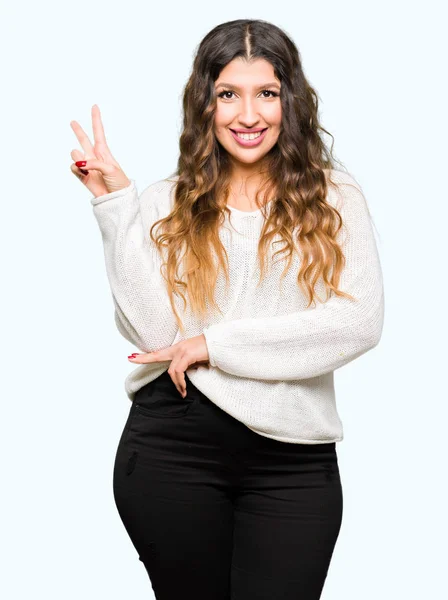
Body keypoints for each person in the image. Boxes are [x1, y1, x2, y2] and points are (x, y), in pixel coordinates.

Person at [69, 18, 384, 600]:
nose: (248, 114)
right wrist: (116, 204)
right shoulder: (167, 201)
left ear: (289, 100)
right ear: (205, 105)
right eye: (228, 94)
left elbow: (359, 321)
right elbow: (156, 334)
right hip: (173, 448)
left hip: (291, 461)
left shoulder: (334, 198)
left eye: (266, 93)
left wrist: (215, 345)